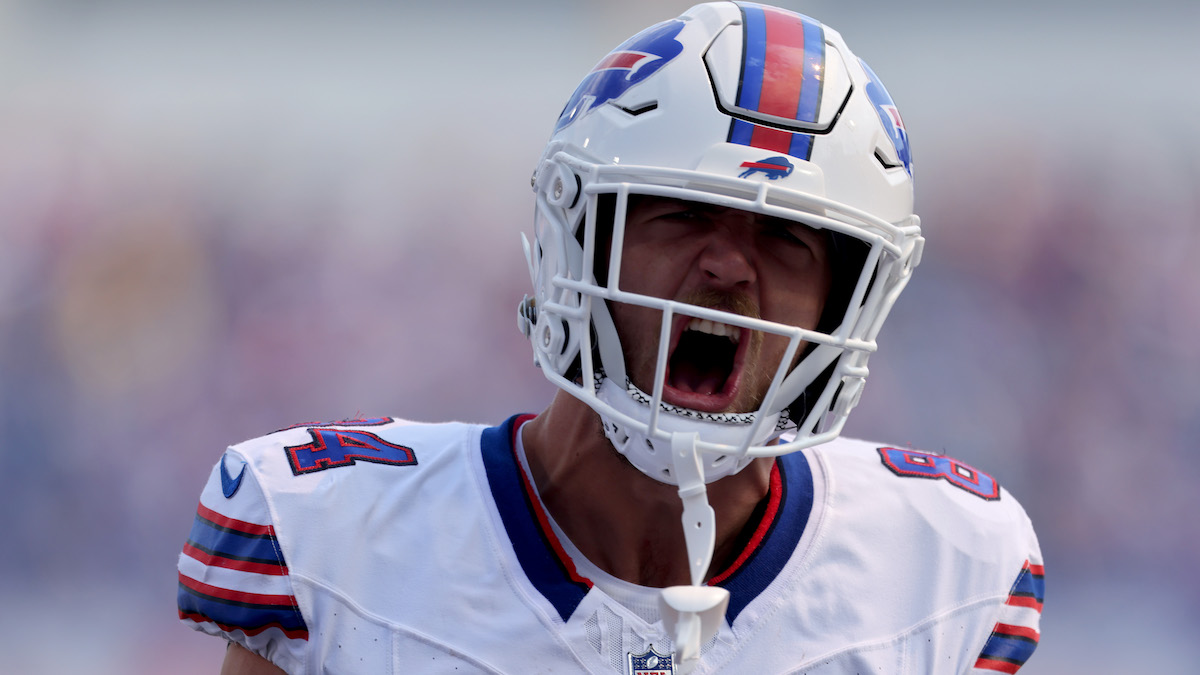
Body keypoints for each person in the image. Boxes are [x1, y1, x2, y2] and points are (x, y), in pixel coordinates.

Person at [178, 2, 1044, 673]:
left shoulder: (944, 562)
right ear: (582, 238)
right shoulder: (335, 535)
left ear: (842, 299)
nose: (728, 266)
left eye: (786, 238)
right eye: (683, 213)